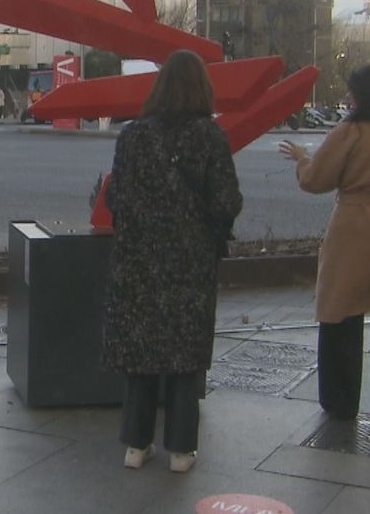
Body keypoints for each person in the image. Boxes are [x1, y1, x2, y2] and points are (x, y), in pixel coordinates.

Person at [101, 50, 242, 474]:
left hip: (138, 260)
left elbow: (116, 198)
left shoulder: (134, 136)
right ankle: (181, 449)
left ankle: (136, 444)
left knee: (141, 350)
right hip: (190, 261)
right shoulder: (210, 137)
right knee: (185, 353)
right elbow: (226, 201)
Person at [278, 64, 370, 422]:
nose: (346, 98)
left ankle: (341, 399)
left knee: (339, 311)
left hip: (353, 225)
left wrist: (301, 159)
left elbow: (317, 179)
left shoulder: (349, 133)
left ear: (362, 97)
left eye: (351, 92)